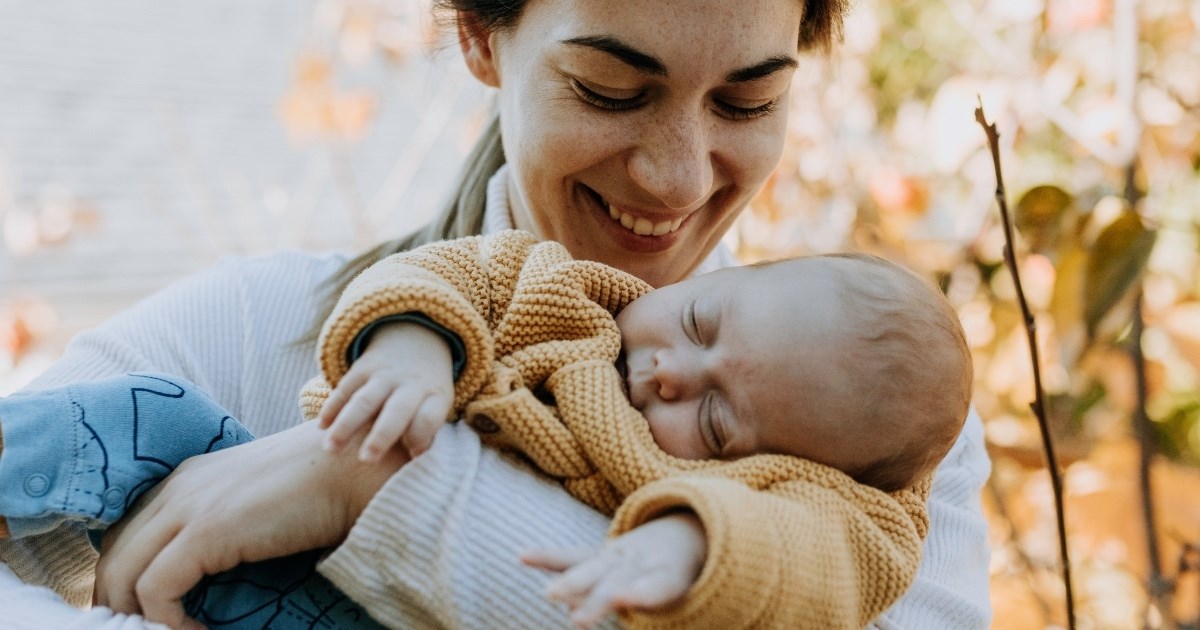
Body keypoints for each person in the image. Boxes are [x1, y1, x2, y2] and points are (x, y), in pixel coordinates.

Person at [0, 1, 992, 629]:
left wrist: (371, 486)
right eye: (609, 89)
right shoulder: (259, 324)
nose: (681, 176)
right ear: (479, 35)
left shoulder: (877, 429)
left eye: (746, 104)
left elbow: (792, 570)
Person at [0, 229, 969, 628]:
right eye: (702, 324)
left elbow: (811, 557)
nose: (670, 370)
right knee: (151, 420)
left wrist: (690, 543)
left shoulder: (841, 495)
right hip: (205, 553)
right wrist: (413, 352)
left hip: (339, 613)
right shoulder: (570, 294)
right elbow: (448, 278)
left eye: (715, 420)